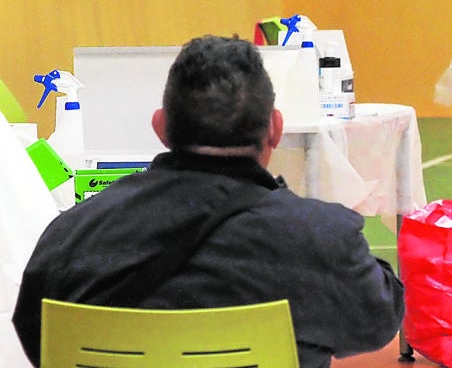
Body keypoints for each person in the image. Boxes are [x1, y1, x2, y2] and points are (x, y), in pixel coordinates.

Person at [12, 35, 404, 368]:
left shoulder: (75, 231)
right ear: (275, 129)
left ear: (160, 127)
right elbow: (374, 324)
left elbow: (35, 336)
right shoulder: (321, 239)